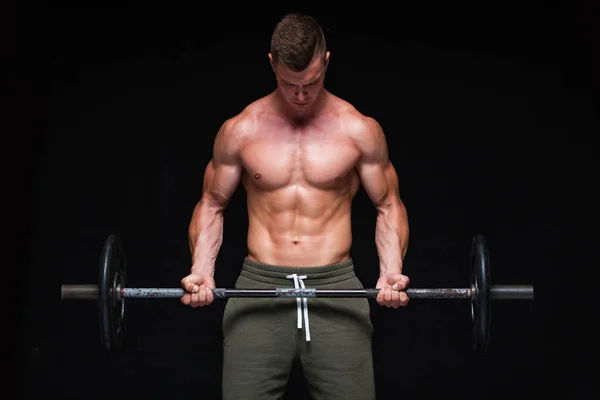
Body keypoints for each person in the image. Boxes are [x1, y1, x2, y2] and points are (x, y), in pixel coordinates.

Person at [180, 12, 410, 400]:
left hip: (337, 290)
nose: (301, 95)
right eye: (289, 84)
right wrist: (201, 269)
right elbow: (212, 204)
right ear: (271, 63)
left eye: (311, 83)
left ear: (326, 62)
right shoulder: (241, 130)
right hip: (258, 289)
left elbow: (388, 204)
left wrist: (391, 271)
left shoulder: (357, 129)